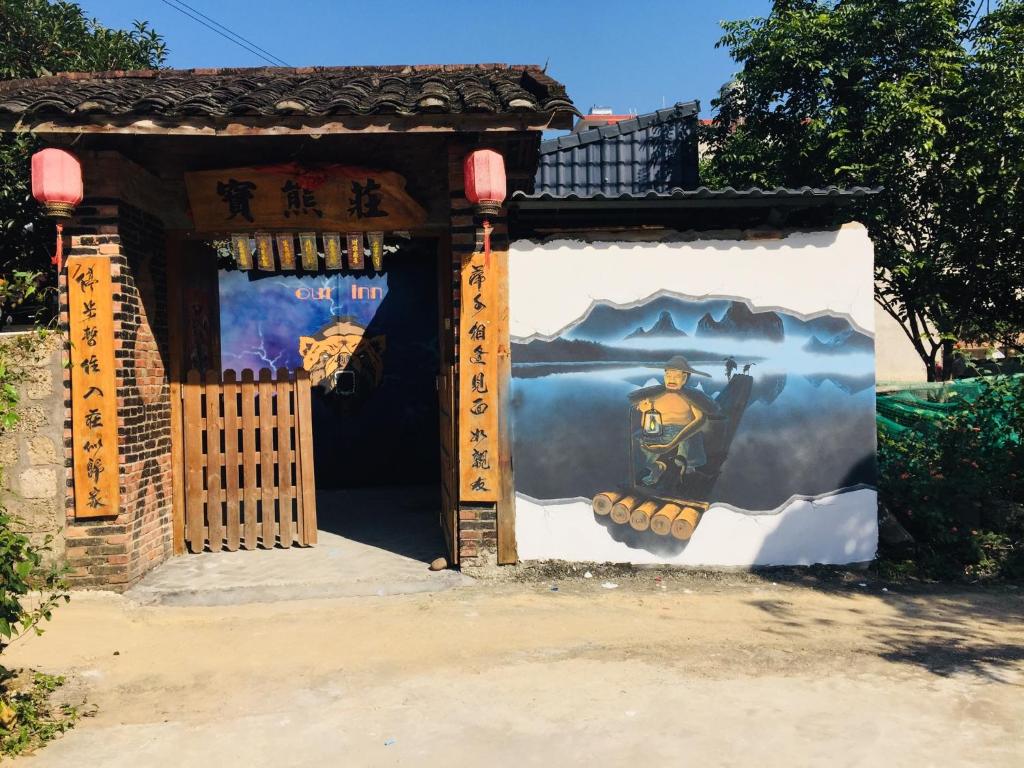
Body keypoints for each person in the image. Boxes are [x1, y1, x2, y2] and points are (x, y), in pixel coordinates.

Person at [628, 355, 719, 493]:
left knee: (690, 439)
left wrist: (670, 444)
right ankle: (655, 467)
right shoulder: (655, 396)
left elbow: (700, 420)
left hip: (684, 431)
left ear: (684, 378)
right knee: (636, 439)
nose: (671, 379)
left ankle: (688, 470)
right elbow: (648, 424)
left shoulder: (691, 396)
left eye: (676, 376)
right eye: (668, 375)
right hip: (659, 431)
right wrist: (645, 411)